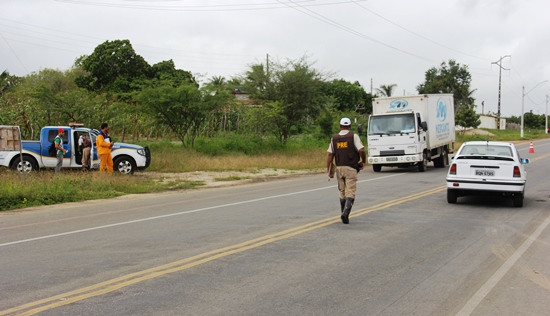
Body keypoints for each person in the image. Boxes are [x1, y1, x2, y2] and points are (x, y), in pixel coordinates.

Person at [327, 118, 366, 224]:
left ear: (340, 126)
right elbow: (361, 150)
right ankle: (345, 213)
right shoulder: (353, 136)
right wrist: (363, 160)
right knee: (350, 191)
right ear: (350, 126)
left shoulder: (334, 138)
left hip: (339, 168)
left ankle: (343, 212)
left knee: (342, 191)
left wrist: (329, 170)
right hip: (351, 168)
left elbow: (330, 154)